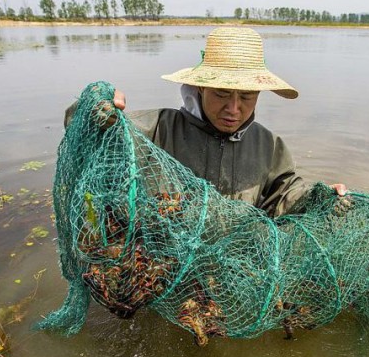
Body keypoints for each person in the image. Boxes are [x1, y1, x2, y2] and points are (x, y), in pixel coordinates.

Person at [65, 27, 346, 217]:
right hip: (167, 269)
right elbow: (87, 131)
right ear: (200, 87)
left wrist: (318, 198)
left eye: (247, 97)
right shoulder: (158, 129)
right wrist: (94, 109)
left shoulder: (269, 146)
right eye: (222, 93)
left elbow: (284, 195)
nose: (233, 109)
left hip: (236, 268)